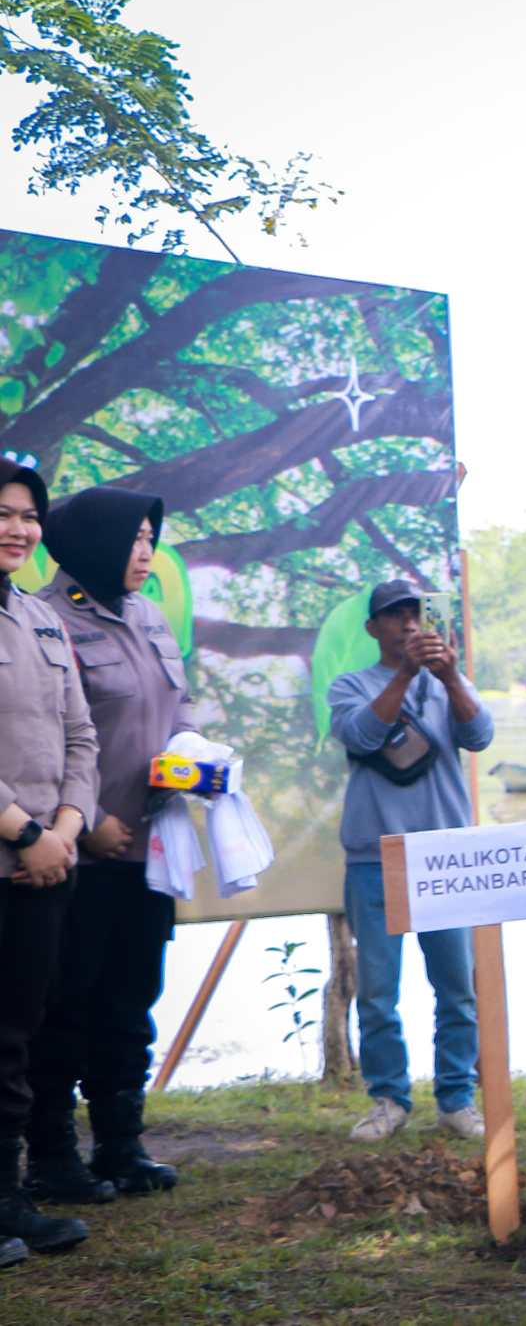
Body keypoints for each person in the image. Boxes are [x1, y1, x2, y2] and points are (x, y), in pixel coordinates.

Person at [24, 488, 193, 1206]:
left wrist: (192, 757)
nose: (146, 551)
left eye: (152, 537)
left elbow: (177, 706)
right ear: (94, 542)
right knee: (67, 1005)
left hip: (149, 849)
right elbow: (48, 734)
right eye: (134, 537)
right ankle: (55, 1157)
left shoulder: (150, 614)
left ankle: (122, 1146)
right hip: (76, 853)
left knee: (132, 997)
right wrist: (86, 818)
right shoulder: (44, 620)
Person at [329, 579, 494, 1143]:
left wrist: (448, 676)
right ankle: (388, 1098)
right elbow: (362, 734)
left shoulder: (451, 680)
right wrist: (404, 675)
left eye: (415, 615)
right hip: (375, 858)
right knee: (378, 989)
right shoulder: (351, 685)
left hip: (445, 856)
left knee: (457, 988)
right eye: (394, 616)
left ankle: (456, 1098)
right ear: (373, 628)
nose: (407, 625)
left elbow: (481, 736)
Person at [0, 457, 97, 1267]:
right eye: (3, 512)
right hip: (13, 850)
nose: (17, 528)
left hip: (45, 860)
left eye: (28, 516)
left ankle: (10, 1200)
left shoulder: (39, 616)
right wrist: (24, 831)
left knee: (18, 1038)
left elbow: (80, 737)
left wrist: (65, 826)